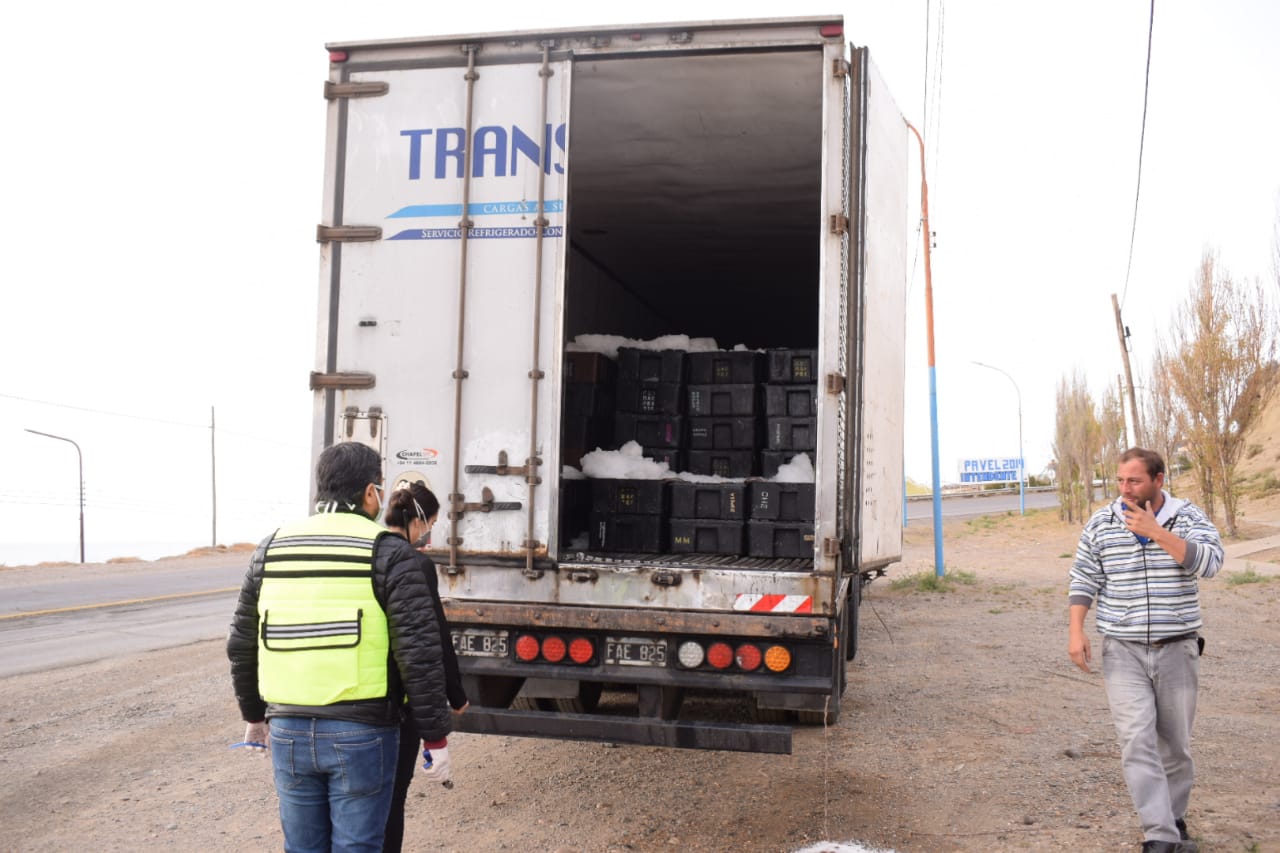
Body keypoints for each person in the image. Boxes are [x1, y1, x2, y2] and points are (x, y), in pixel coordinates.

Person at [227, 441, 454, 853]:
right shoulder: (388, 552)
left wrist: (254, 715)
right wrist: (435, 737)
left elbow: (242, 643)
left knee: (303, 847)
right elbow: (418, 653)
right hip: (363, 730)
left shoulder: (272, 548)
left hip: (288, 729)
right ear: (371, 493)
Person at [1067, 447, 1223, 853]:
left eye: (1134, 481)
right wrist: (1076, 630)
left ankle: (1172, 818)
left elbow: (1210, 563)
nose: (1125, 489)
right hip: (1123, 651)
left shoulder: (1187, 517)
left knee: (1175, 746)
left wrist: (1157, 532)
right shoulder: (1102, 521)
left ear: (1158, 480)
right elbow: (1084, 575)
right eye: (1120, 480)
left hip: (1177, 649)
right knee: (1136, 740)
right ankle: (1160, 837)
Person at [381, 481, 468, 853]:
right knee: (390, 801)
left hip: (346, 696)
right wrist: (456, 694)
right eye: (430, 523)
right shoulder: (414, 563)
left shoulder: (362, 552)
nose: (428, 532)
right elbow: (432, 637)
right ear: (418, 522)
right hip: (397, 699)